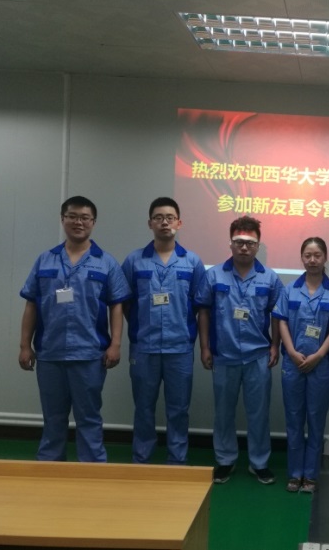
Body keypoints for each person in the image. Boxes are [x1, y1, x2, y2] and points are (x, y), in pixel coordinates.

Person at [18, 196, 131, 462]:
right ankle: (49, 467)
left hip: (89, 354)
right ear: (63, 219)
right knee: (53, 417)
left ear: (93, 222)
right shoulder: (45, 260)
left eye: (84, 218)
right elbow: (31, 304)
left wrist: (115, 344)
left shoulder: (106, 262)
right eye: (72, 216)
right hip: (50, 352)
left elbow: (116, 306)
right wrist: (25, 345)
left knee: (88, 417)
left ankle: (91, 471)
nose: (78, 222)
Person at [195, 215, 283, 485]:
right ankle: (225, 460)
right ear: (230, 243)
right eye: (239, 242)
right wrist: (204, 347)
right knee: (223, 413)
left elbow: (278, 315)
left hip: (258, 356)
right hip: (224, 355)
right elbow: (203, 312)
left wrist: (275, 345)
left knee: (259, 413)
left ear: (258, 245)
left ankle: (259, 462)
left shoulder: (270, 278)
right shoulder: (213, 275)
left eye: (250, 243)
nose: (244, 247)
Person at [121, 197, 205, 465]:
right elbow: (125, 303)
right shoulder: (134, 260)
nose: (164, 222)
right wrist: (140, 326)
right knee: (143, 408)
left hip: (179, 348)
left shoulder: (192, 262)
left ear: (179, 223)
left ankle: (177, 461)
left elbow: (200, 304)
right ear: (150, 223)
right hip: (144, 347)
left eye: (170, 217)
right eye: (158, 218)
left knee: (178, 409)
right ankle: (141, 459)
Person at [273, 237, 329, 494]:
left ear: (325, 258)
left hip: (321, 364)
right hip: (293, 363)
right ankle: (294, 473)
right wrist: (291, 351)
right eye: (308, 255)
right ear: (302, 258)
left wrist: (319, 355)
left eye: (317, 255)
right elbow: (281, 321)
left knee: (315, 419)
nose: (312, 260)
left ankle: (310, 475)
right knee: (293, 420)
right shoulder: (289, 289)